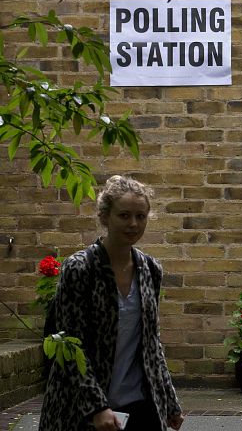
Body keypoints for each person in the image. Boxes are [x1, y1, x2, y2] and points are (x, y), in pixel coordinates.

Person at [40, 175, 183, 431]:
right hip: (82, 407)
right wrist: (97, 406)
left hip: (138, 402)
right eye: (124, 215)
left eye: (141, 216)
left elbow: (151, 343)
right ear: (105, 217)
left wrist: (169, 401)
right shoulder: (81, 268)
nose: (133, 223)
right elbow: (70, 347)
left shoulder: (150, 269)